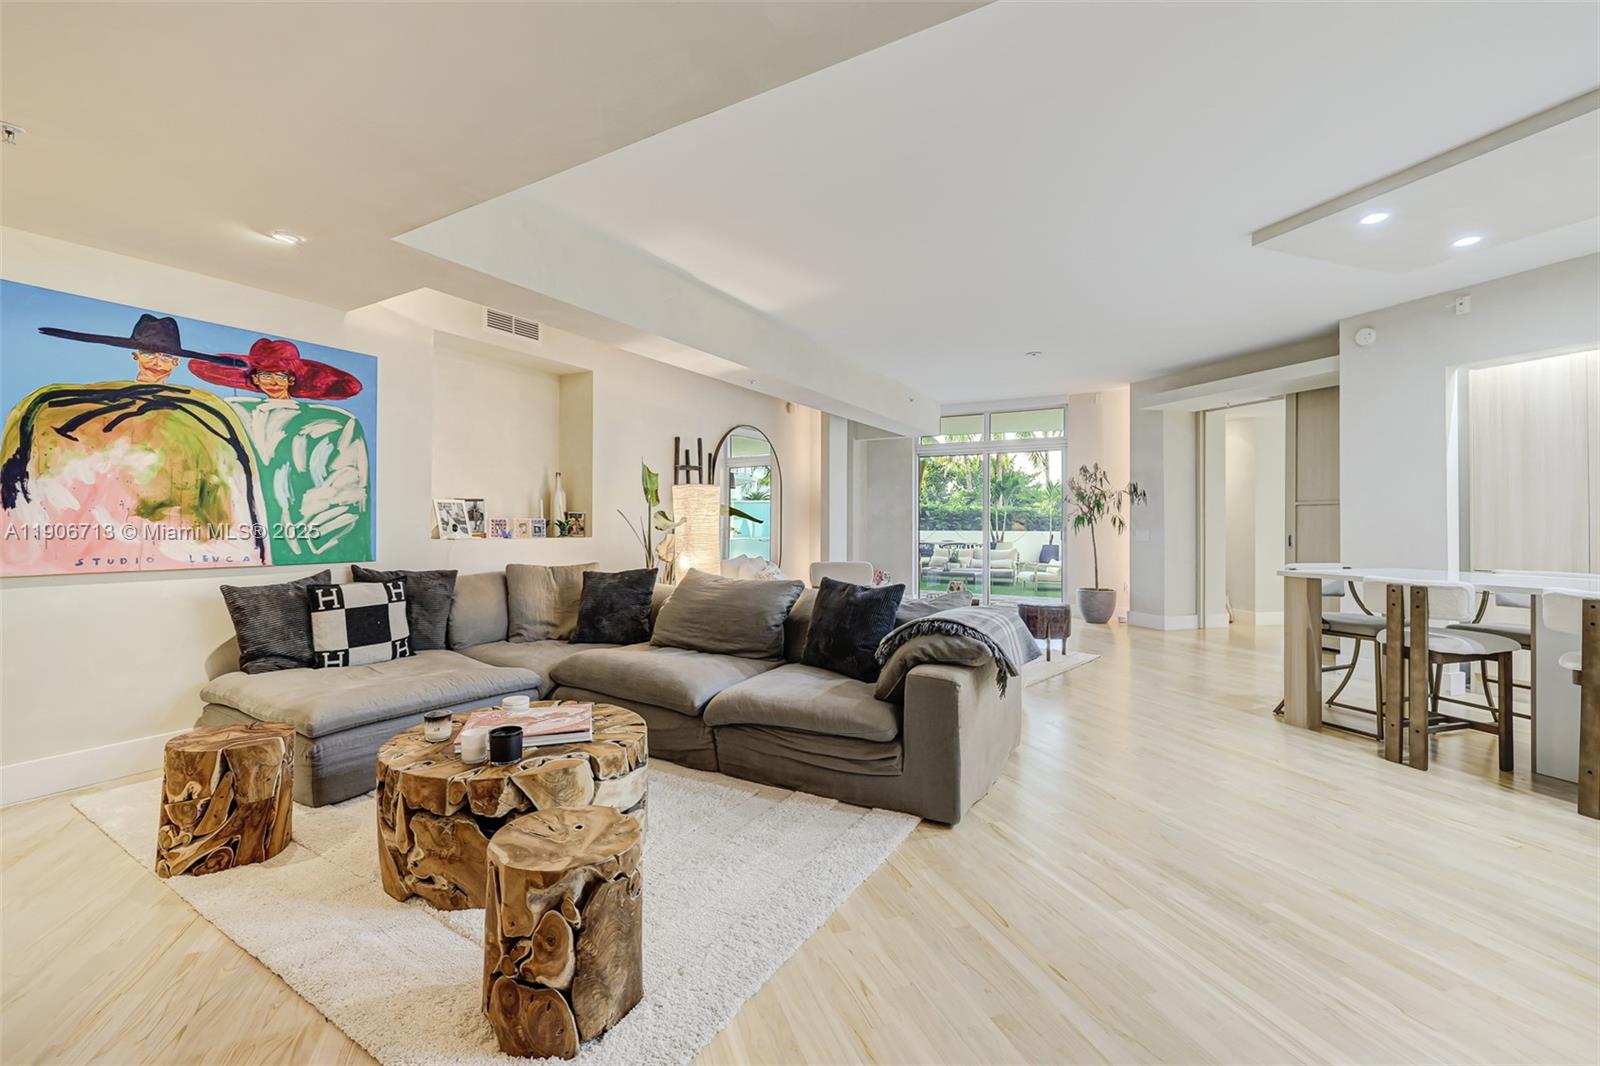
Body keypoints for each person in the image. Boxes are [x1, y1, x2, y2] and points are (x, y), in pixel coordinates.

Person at [1, 314, 265, 574]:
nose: (158, 363)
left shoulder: (206, 406)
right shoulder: (90, 399)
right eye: (150, 354)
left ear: (176, 363)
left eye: (166, 357)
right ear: (135, 355)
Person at [190, 338, 370, 564]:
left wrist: (309, 529)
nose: (273, 382)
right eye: (266, 375)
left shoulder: (332, 423)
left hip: (301, 530)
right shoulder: (234, 412)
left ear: (291, 379)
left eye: (280, 376)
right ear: (255, 379)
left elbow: (347, 483)